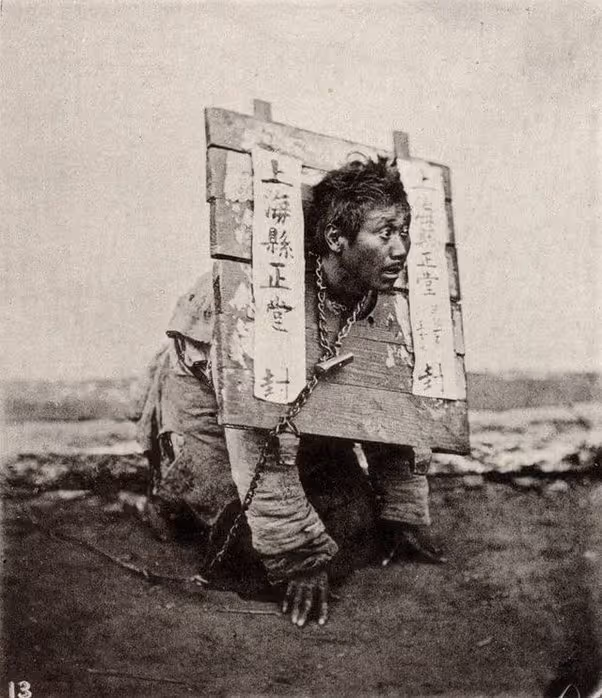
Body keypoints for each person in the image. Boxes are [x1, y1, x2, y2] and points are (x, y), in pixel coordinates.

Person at [137, 156, 445, 628]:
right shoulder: (250, 300)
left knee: (359, 524)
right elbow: (251, 434)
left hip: (300, 413)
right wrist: (298, 555)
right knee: (249, 554)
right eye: (385, 233)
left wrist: (403, 512)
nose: (400, 248)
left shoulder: (376, 295)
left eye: (404, 232)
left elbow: (390, 403)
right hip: (215, 415)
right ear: (335, 238)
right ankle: (171, 502)